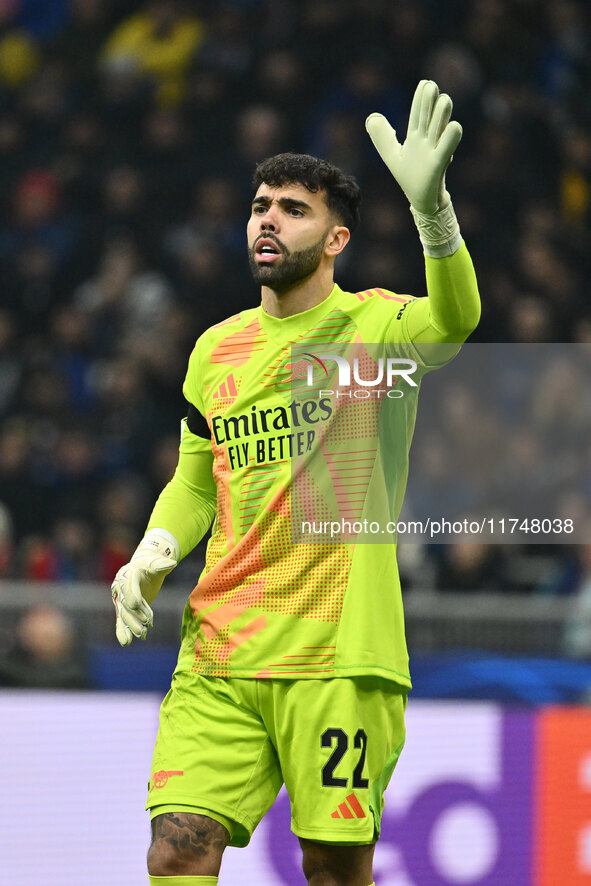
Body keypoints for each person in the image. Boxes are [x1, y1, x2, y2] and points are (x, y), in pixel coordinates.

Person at [111, 80, 480, 886]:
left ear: (336, 236)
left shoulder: (376, 327)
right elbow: (197, 479)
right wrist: (152, 554)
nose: (267, 219)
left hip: (338, 655)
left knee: (335, 870)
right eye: (259, 205)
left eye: (292, 208)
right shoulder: (216, 349)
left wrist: (433, 215)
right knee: (175, 848)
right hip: (221, 650)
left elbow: (455, 321)